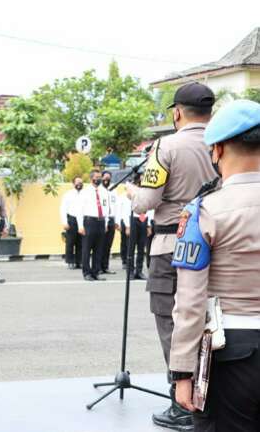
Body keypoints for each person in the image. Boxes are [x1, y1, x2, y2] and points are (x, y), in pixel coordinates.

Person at [126, 82, 217, 430]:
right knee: (210, 322)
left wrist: (133, 191)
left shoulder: (166, 146)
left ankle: (182, 402)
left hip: (171, 246)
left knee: (172, 322)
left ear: (177, 112)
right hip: (215, 243)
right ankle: (210, 397)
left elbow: (146, 202)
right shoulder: (224, 143)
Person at [170, 99, 260, 431]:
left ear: (218, 149)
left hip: (230, 354)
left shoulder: (203, 212)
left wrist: (182, 372)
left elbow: (190, 303)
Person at [77, 169, 109, 281]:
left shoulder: (104, 191)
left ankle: (96, 272)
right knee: (86, 248)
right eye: (97, 177)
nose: (99, 179)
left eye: (100, 177)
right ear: (91, 179)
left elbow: (106, 207)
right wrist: (80, 225)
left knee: (99, 249)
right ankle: (87, 273)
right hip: (89, 222)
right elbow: (79, 210)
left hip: (101, 221)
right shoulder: (84, 192)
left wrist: (106, 221)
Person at [117, 188, 153, 280]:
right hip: (131, 219)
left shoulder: (143, 193)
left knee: (141, 248)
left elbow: (145, 210)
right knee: (131, 248)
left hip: (141, 218)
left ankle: (139, 271)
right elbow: (125, 211)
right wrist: (128, 226)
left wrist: (147, 225)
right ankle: (130, 272)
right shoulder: (127, 196)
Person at [59, 176, 83, 270]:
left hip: (82, 220)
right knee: (70, 242)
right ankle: (70, 261)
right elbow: (63, 209)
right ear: (73, 184)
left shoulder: (85, 194)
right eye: (77, 182)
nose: (79, 184)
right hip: (71, 220)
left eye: (81, 182)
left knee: (81, 242)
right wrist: (65, 222)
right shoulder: (68, 194)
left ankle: (79, 261)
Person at [100, 171, 117, 275]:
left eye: (108, 178)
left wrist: (117, 221)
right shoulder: (99, 190)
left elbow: (116, 205)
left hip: (111, 219)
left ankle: (105, 267)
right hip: (102, 220)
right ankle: (98, 267)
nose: (107, 179)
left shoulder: (113, 190)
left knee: (108, 245)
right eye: (105, 177)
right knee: (100, 245)